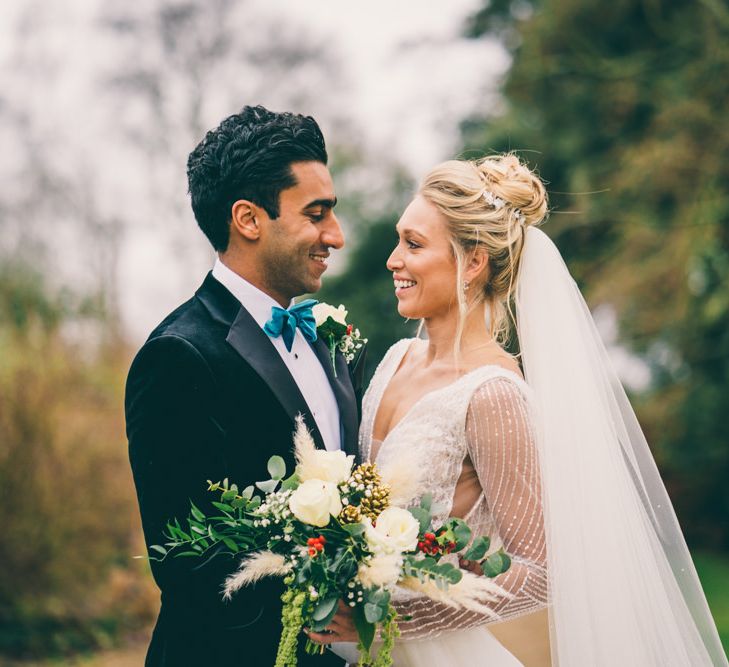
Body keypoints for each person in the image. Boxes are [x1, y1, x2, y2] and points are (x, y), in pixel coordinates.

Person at [308, 154, 728, 666]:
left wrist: (393, 617)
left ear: (475, 261)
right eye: (399, 240)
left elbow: (542, 572)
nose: (393, 259)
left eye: (414, 245)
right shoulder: (396, 357)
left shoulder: (494, 395)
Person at [125, 105, 364, 666]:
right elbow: (187, 564)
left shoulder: (332, 340)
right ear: (249, 220)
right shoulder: (178, 356)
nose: (337, 235)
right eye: (317, 213)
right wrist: (326, 602)